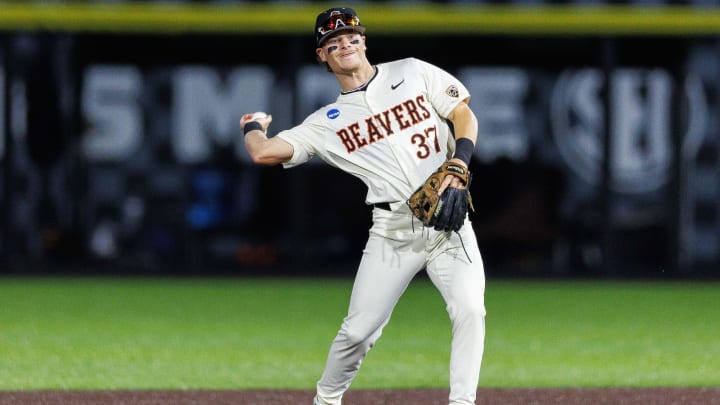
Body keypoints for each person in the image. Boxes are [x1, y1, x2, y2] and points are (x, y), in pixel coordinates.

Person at [240, 7, 486, 405]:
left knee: (470, 309)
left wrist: (460, 161)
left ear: (364, 41)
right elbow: (264, 153)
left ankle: (462, 403)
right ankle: (327, 399)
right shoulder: (326, 122)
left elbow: (462, 113)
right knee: (358, 332)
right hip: (392, 231)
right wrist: (253, 127)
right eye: (333, 43)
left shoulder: (411, 70)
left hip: (447, 223)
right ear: (323, 56)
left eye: (351, 36)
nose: (345, 45)